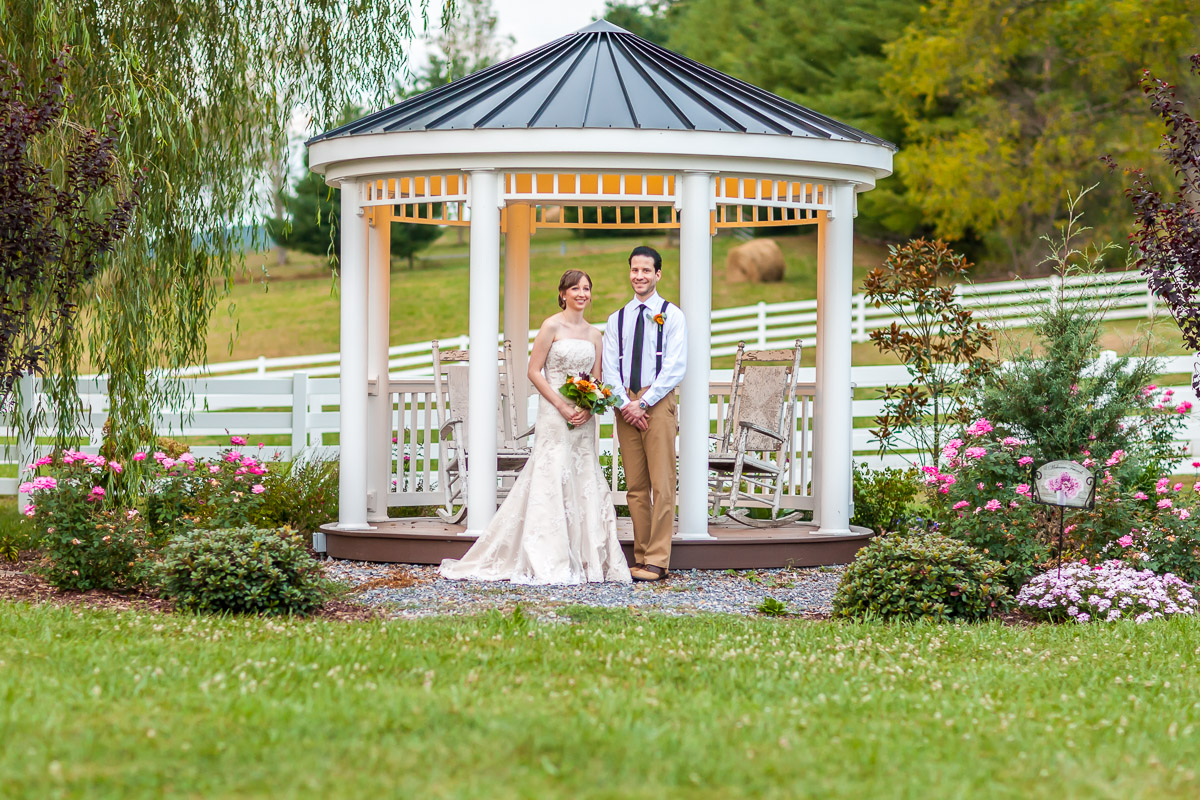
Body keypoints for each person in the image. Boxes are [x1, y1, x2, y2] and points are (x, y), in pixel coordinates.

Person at [439, 270, 632, 585]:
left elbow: (596, 377)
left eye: (586, 289)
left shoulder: (596, 334)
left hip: (583, 419)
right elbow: (533, 370)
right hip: (554, 413)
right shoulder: (551, 326)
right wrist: (561, 405)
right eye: (575, 289)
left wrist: (587, 406)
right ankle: (548, 555)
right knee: (552, 471)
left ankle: (586, 559)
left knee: (583, 475)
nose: (582, 294)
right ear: (563, 293)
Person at [601, 246, 687, 582]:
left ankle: (658, 560)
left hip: (657, 400)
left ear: (658, 274)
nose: (639, 276)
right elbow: (610, 367)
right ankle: (641, 555)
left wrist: (644, 403)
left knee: (662, 483)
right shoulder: (616, 318)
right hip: (625, 405)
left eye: (646, 271)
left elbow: (675, 366)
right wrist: (626, 404)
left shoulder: (673, 315)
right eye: (635, 270)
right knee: (635, 486)